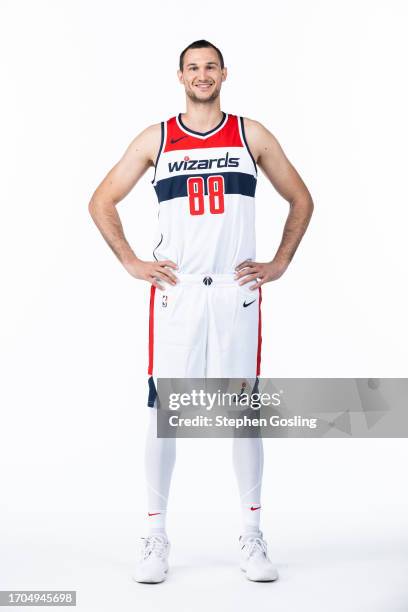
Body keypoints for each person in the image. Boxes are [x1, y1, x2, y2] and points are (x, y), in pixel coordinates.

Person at [88, 39, 314, 583]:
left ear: (224, 73)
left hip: (234, 291)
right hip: (179, 291)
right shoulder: (157, 138)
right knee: (165, 415)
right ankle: (154, 536)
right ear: (180, 76)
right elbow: (101, 200)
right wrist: (131, 261)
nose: (202, 74)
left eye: (210, 66)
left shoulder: (250, 135)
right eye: (193, 67)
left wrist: (280, 261)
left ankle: (252, 533)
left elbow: (302, 199)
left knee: (241, 414)